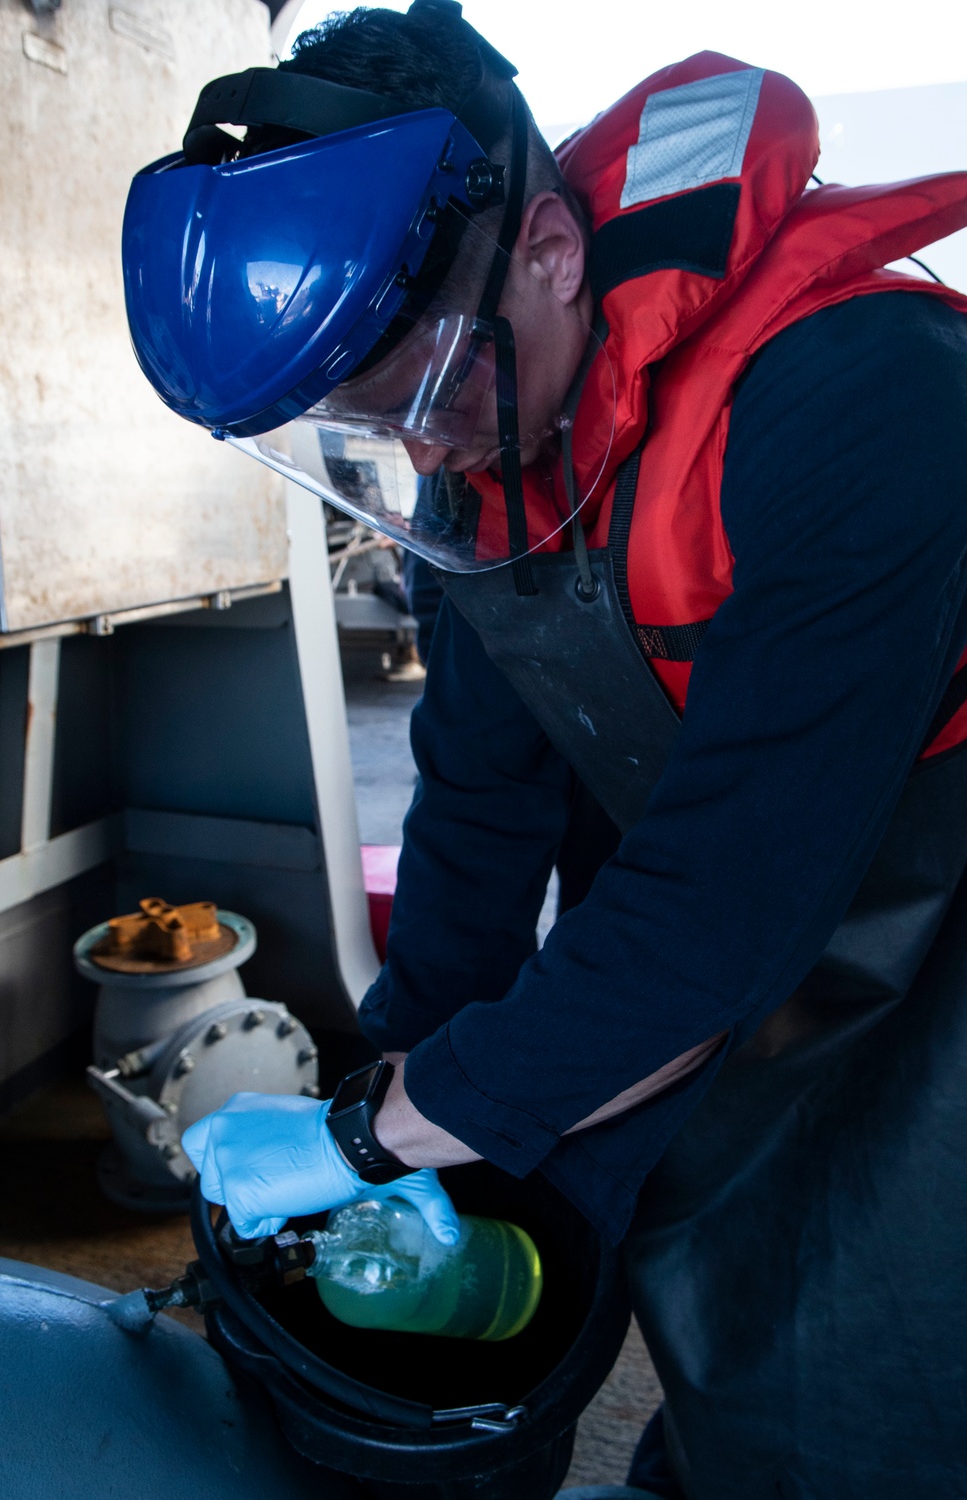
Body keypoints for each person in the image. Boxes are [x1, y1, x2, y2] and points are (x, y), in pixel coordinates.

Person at [124, 5, 967, 1495]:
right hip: (733, 906)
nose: (428, 455)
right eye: (369, 430)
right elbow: (479, 797)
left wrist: (386, 1134)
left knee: (856, 1360)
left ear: (554, 255)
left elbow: (725, 897)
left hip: (929, 908)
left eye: (431, 397)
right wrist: (406, 1072)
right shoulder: (500, 428)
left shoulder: (863, 392)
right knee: (644, 1247)